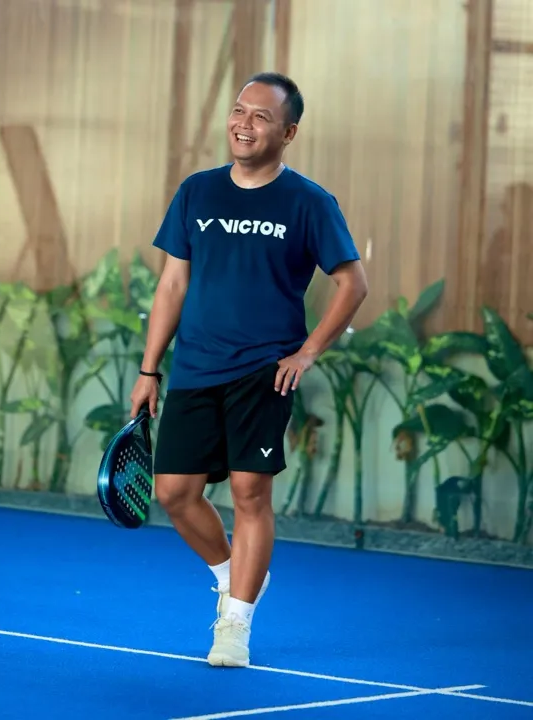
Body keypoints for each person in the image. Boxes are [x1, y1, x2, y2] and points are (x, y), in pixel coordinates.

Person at [129, 72, 368, 667]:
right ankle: (237, 576)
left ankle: (235, 622)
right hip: (195, 366)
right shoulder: (197, 192)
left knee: (248, 491)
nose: (244, 124)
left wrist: (308, 351)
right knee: (174, 493)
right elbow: (173, 284)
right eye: (239, 111)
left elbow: (353, 284)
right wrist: (149, 369)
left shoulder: (310, 202)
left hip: (264, 370)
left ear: (288, 133)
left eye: (261, 116)